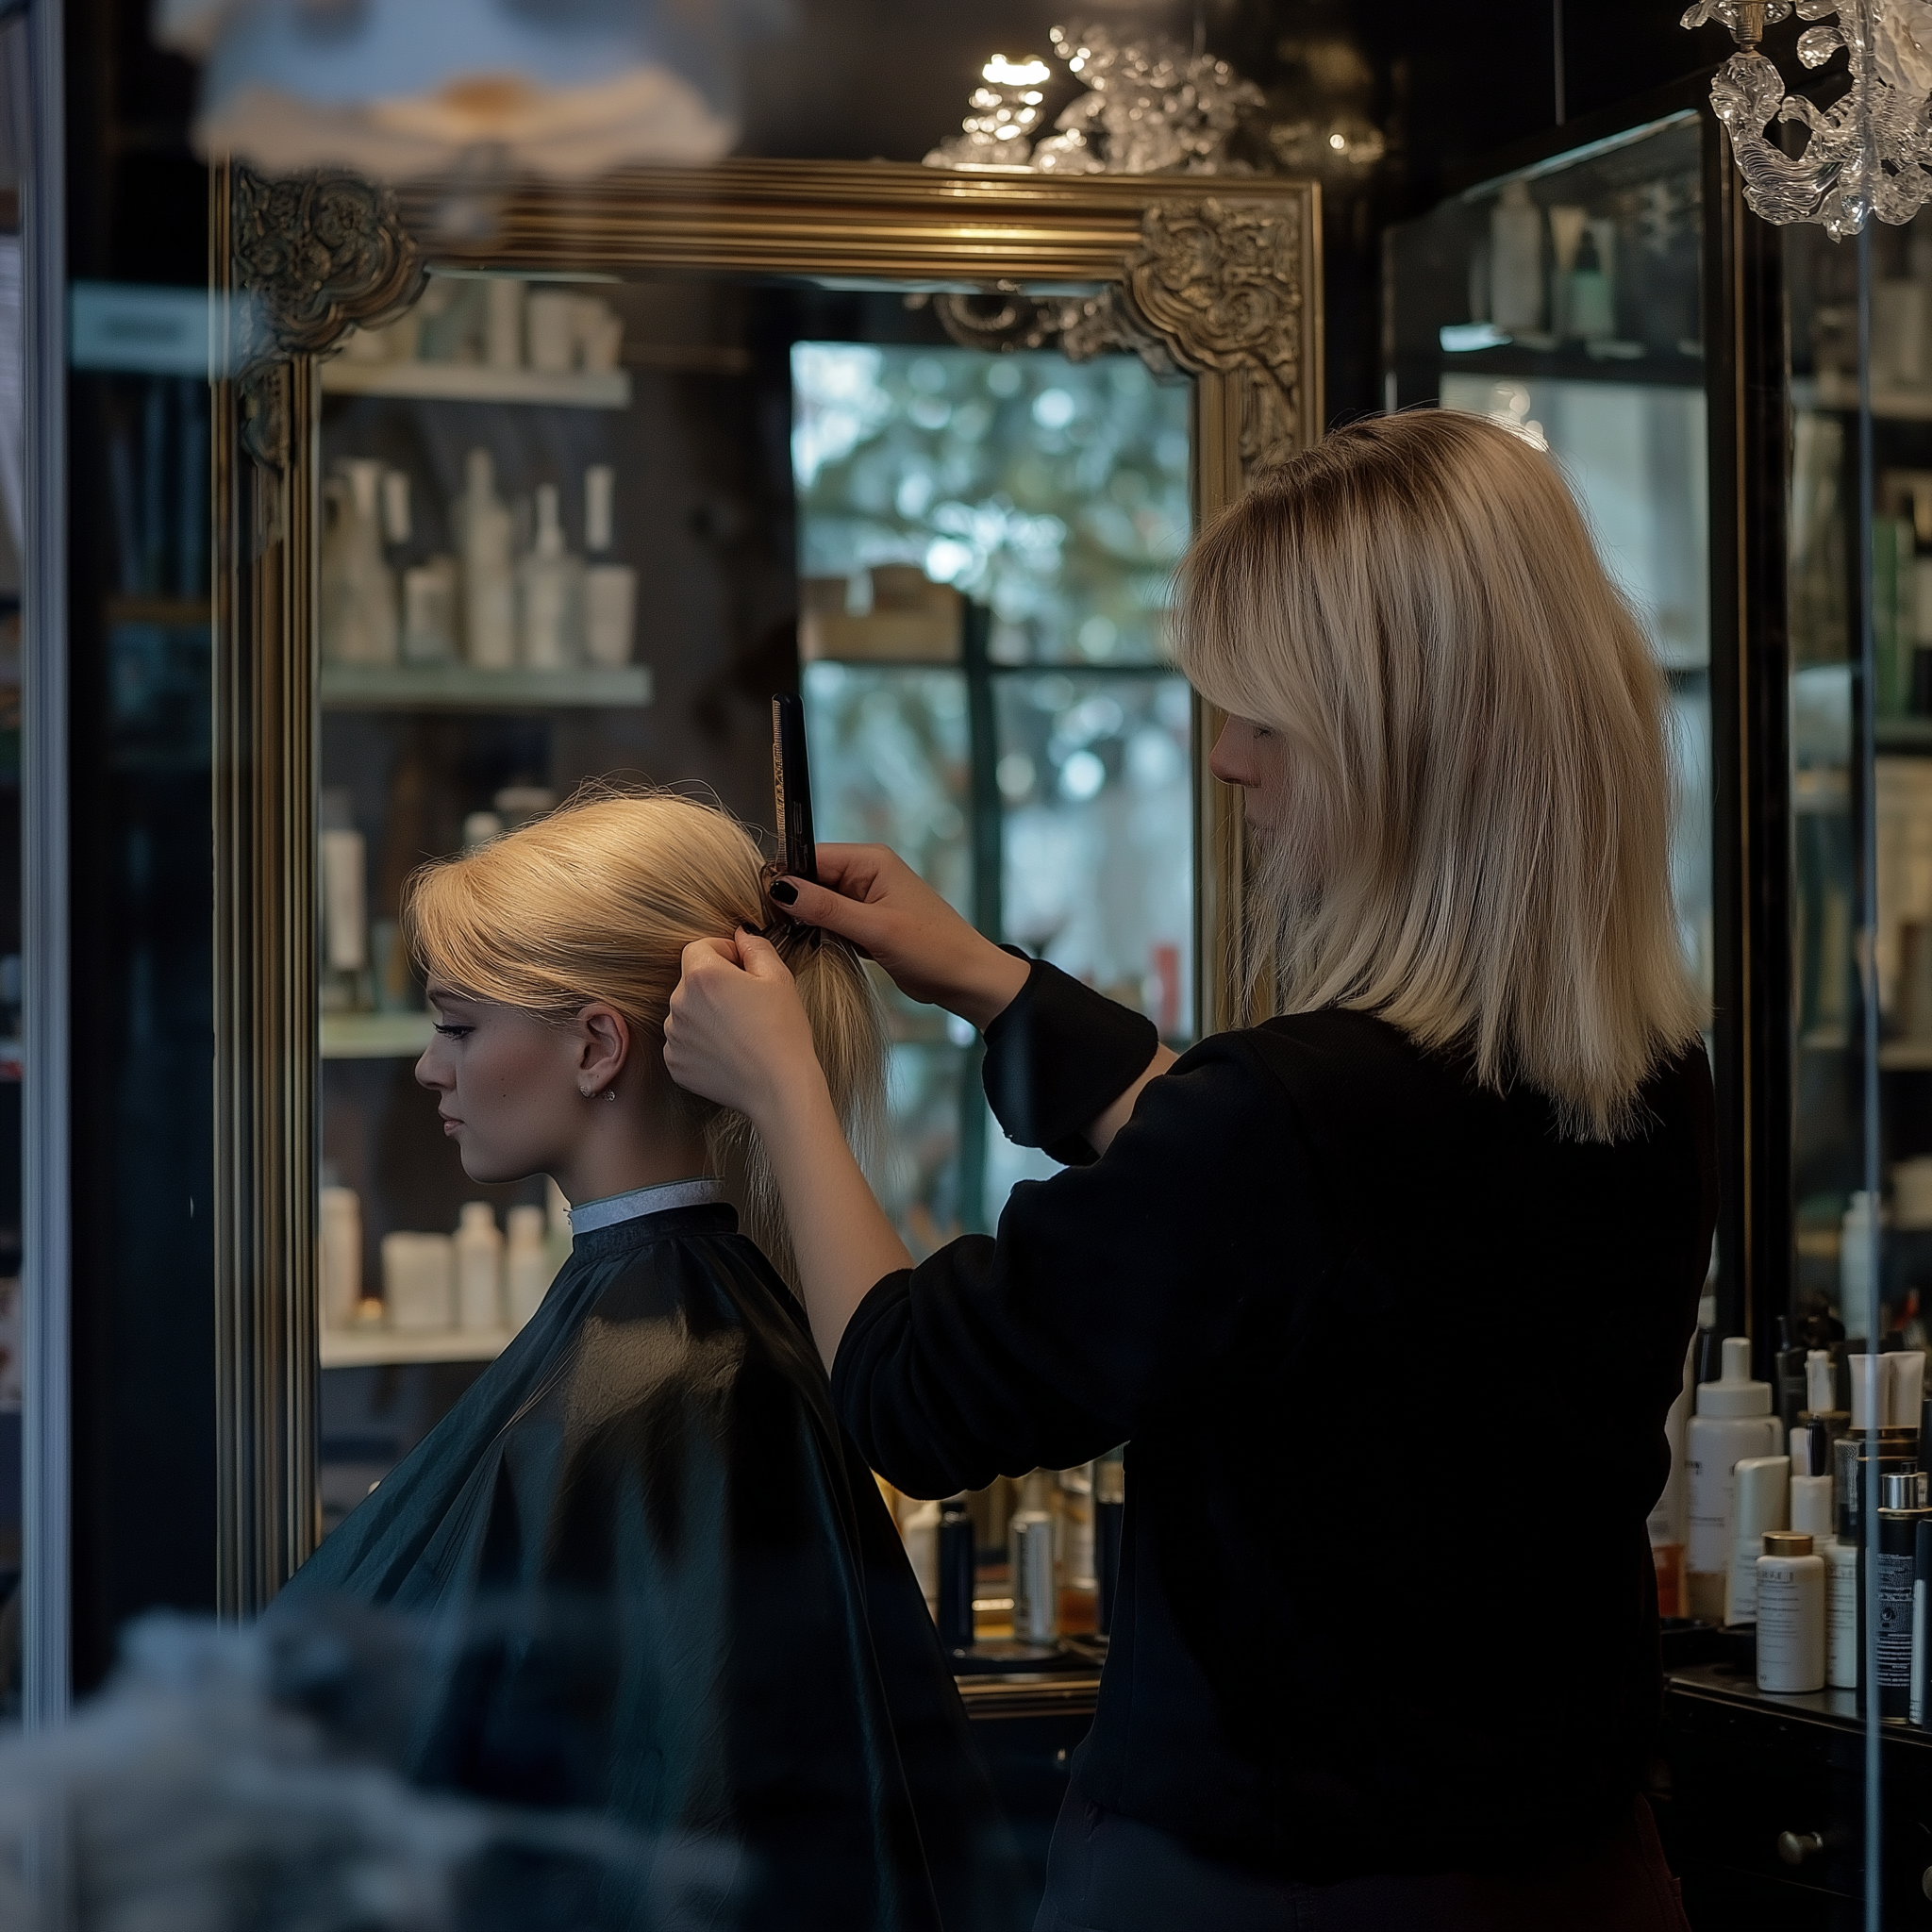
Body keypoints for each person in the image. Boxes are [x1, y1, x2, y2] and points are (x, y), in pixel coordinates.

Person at [663, 411, 1713, 1931]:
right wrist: (978, 975)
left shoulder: (1290, 1127)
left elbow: (913, 1388)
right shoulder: (1647, 1080)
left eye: (1266, 721)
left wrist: (782, 1094)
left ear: (1403, 745)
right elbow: (1290, 1220)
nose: (1225, 759)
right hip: (1586, 1880)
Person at [276, 791, 1025, 1932]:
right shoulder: (677, 1332)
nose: (430, 1067)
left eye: (458, 1026)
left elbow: (689, 1818)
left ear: (593, 1044)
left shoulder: (676, 1375)